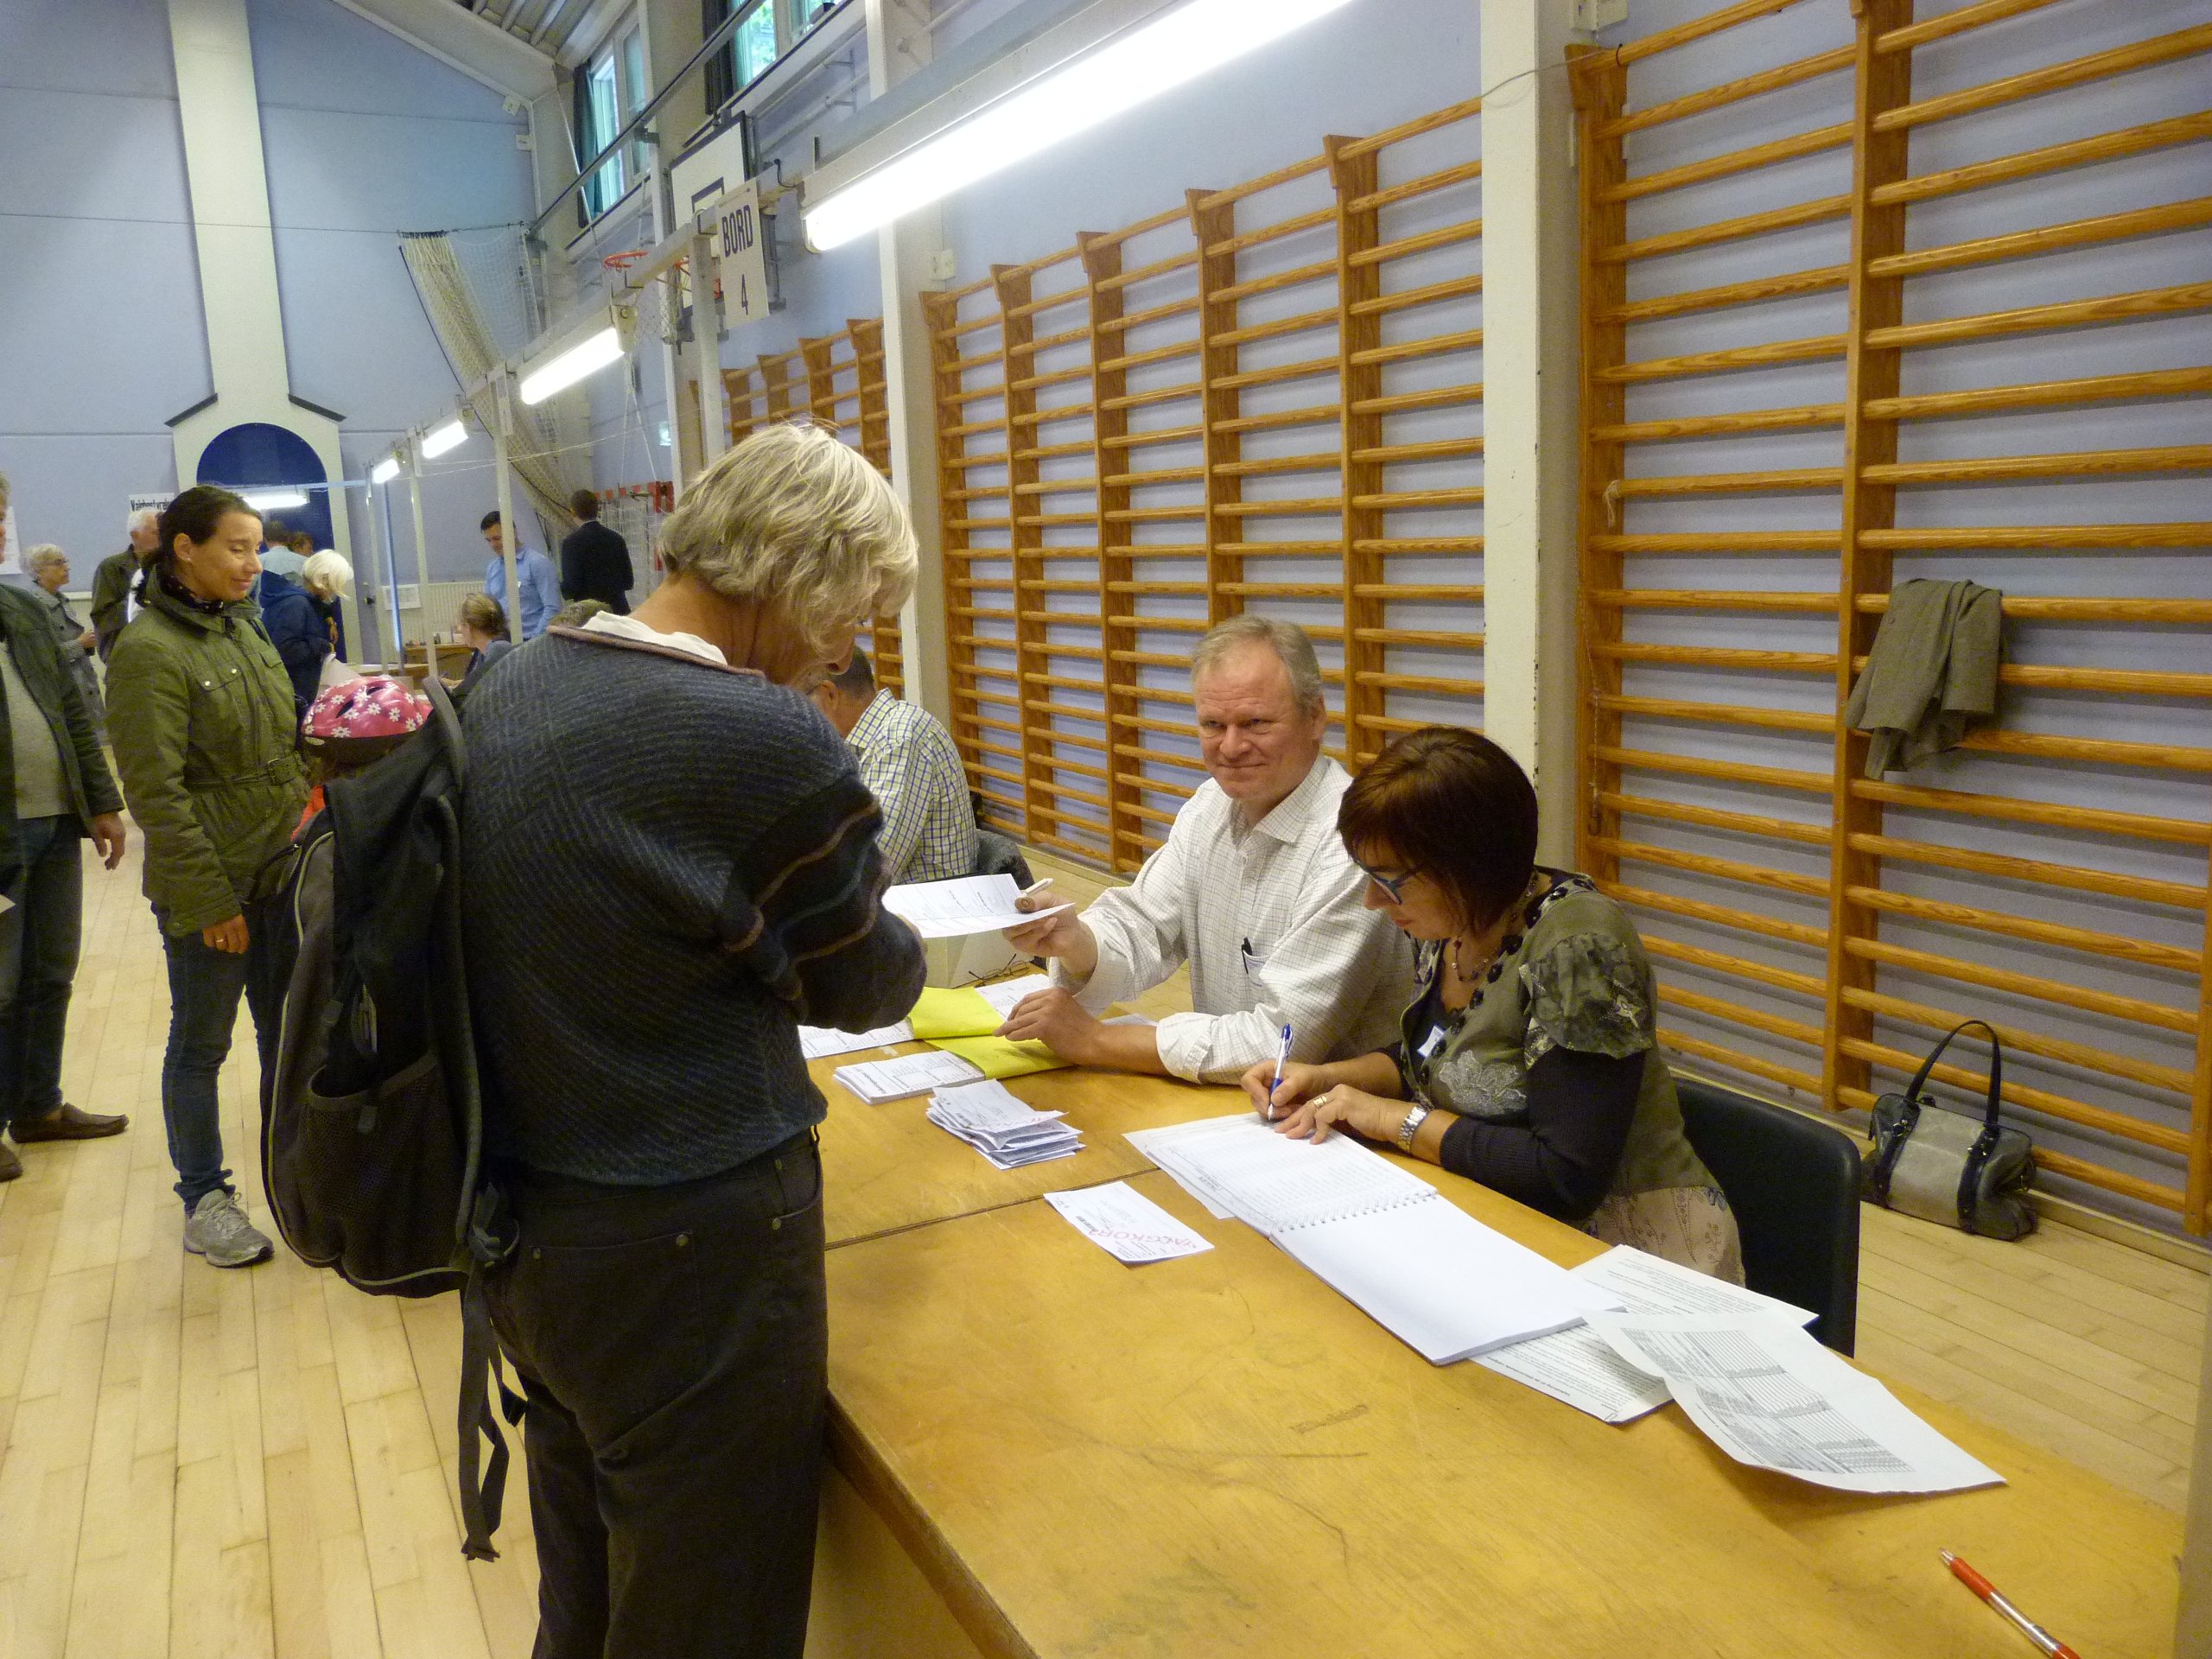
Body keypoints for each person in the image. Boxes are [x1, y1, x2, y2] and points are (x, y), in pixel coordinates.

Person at [462, 423, 925, 1658]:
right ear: (801, 573)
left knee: (589, 1593)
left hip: (529, 1227)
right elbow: (866, 981)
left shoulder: (517, 679)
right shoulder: (752, 733)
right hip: (688, 1250)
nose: (844, 648)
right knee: (712, 1614)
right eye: (851, 612)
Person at [1247, 727, 1744, 1281]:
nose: (1371, 901)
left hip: (1633, 1255)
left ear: (1464, 866)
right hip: (1500, 1223)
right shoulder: (1455, 925)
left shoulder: (1579, 950)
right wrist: (1327, 1079)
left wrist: (1391, 1118)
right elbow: (1440, 1058)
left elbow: (1566, 1177)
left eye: (1387, 882)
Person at [999, 614, 1413, 1082]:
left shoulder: (1350, 843)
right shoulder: (1211, 804)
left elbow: (1282, 1041)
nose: (1231, 747)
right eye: (1213, 724)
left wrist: (1096, 1041)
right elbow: (1146, 924)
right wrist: (1077, 941)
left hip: (1331, 1111)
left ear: (1315, 716)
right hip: (1229, 1098)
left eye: (1255, 723)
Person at [107, 485, 309, 1270]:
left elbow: (282, 743)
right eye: (237, 547)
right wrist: (209, 900)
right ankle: (204, 1199)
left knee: (288, 1034)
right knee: (201, 1045)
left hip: (279, 870)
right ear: (184, 549)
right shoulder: (149, 651)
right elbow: (156, 793)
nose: (254, 563)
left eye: (257, 547)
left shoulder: (244, 626)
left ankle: (298, 1173)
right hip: (215, 889)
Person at [0, 511, 130, 1181]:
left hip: (52, 820)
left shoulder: (22, 607)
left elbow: (73, 709)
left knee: (51, 971)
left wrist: (103, 800)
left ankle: (38, 1106)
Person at [808, 649, 976, 885]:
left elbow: (873, 866)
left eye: (803, 702)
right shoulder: (860, 742)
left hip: (928, 903)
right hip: (895, 899)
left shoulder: (900, 738)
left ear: (830, 695)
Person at [22, 545, 105, 737]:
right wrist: (80, 644)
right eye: (58, 563)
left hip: (82, 684)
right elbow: (40, 655)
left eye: (65, 561)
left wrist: (88, 642)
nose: (67, 567)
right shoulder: (33, 605)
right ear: (38, 570)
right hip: (61, 691)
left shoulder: (61, 599)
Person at [262, 548, 353, 715]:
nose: (334, 592)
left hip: (295, 691)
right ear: (325, 580)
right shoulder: (297, 604)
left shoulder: (299, 601)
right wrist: (323, 646)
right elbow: (286, 649)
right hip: (292, 692)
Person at [92, 507, 162, 661]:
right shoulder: (111, 568)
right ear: (135, 535)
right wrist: (140, 597)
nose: (163, 538)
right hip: (127, 653)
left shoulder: (170, 565)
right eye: (156, 533)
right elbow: (103, 618)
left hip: (164, 650)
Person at [481, 510, 560, 640]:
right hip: (503, 640)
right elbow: (488, 607)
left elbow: (553, 608)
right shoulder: (492, 568)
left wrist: (534, 641)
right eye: (488, 540)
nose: (493, 545)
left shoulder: (538, 563)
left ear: (513, 533)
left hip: (532, 639)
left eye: (497, 538)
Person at [558, 488, 634, 614]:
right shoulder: (616, 538)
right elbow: (628, 582)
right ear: (597, 509)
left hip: (589, 615)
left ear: (573, 512)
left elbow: (571, 588)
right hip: (618, 611)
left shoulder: (571, 543)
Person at [453, 593, 512, 695]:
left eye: (462, 624)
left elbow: (482, 691)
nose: (459, 629)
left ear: (470, 625)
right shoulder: (484, 651)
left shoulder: (498, 648)